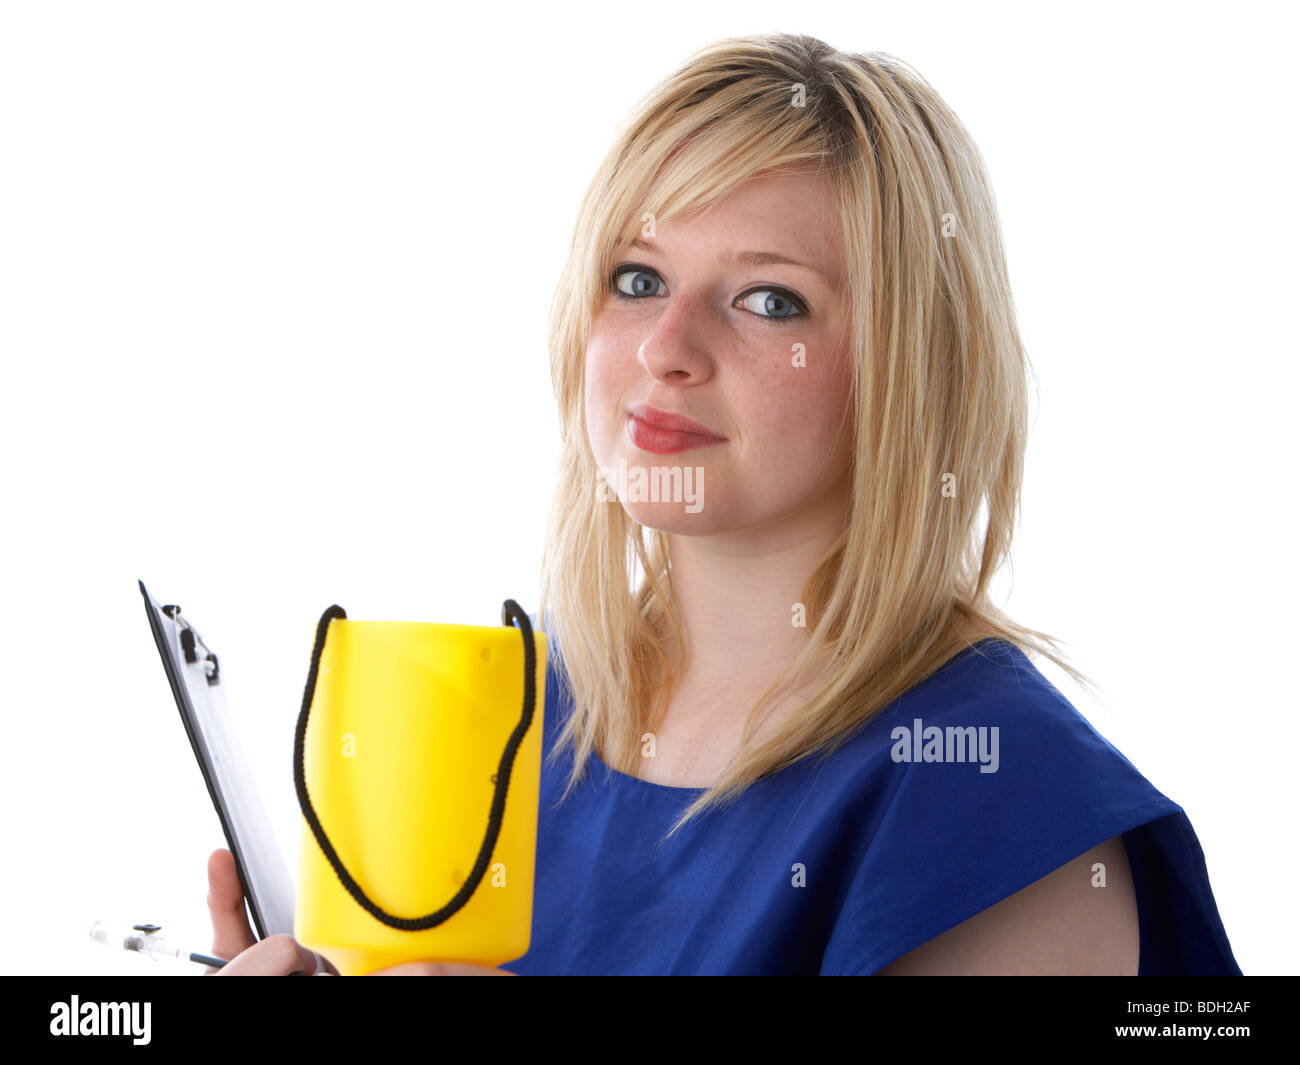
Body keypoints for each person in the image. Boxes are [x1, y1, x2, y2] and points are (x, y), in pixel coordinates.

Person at [207, 32, 1240, 975]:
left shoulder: (1003, 800)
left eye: (768, 300)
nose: (665, 349)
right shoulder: (519, 715)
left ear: (909, 365)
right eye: (637, 277)